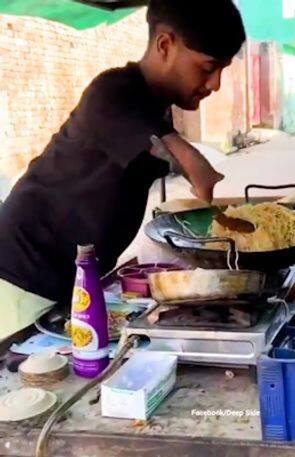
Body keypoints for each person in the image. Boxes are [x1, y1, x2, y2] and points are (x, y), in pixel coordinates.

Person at [0, 0, 245, 339]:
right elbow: (196, 170)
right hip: (23, 275)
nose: (216, 83)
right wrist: (221, 231)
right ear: (164, 45)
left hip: (73, 277)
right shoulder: (113, 93)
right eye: (207, 68)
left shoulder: (156, 106)